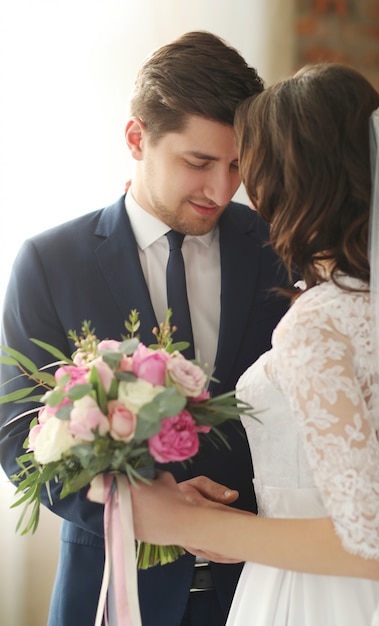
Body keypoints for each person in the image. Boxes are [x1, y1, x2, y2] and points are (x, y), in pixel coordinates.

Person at [0, 31, 291, 626]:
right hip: (108, 593)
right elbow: (17, 434)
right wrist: (151, 511)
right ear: (137, 138)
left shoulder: (280, 251)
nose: (221, 189)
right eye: (199, 162)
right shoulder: (50, 261)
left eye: (237, 165)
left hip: (263, 590)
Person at [127, 62, 379, 625]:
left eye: (245, 164)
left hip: (319, 597)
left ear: (290, 176)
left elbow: (370, 544)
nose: (236, 186)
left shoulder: (317, 321)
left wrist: (180, 521)